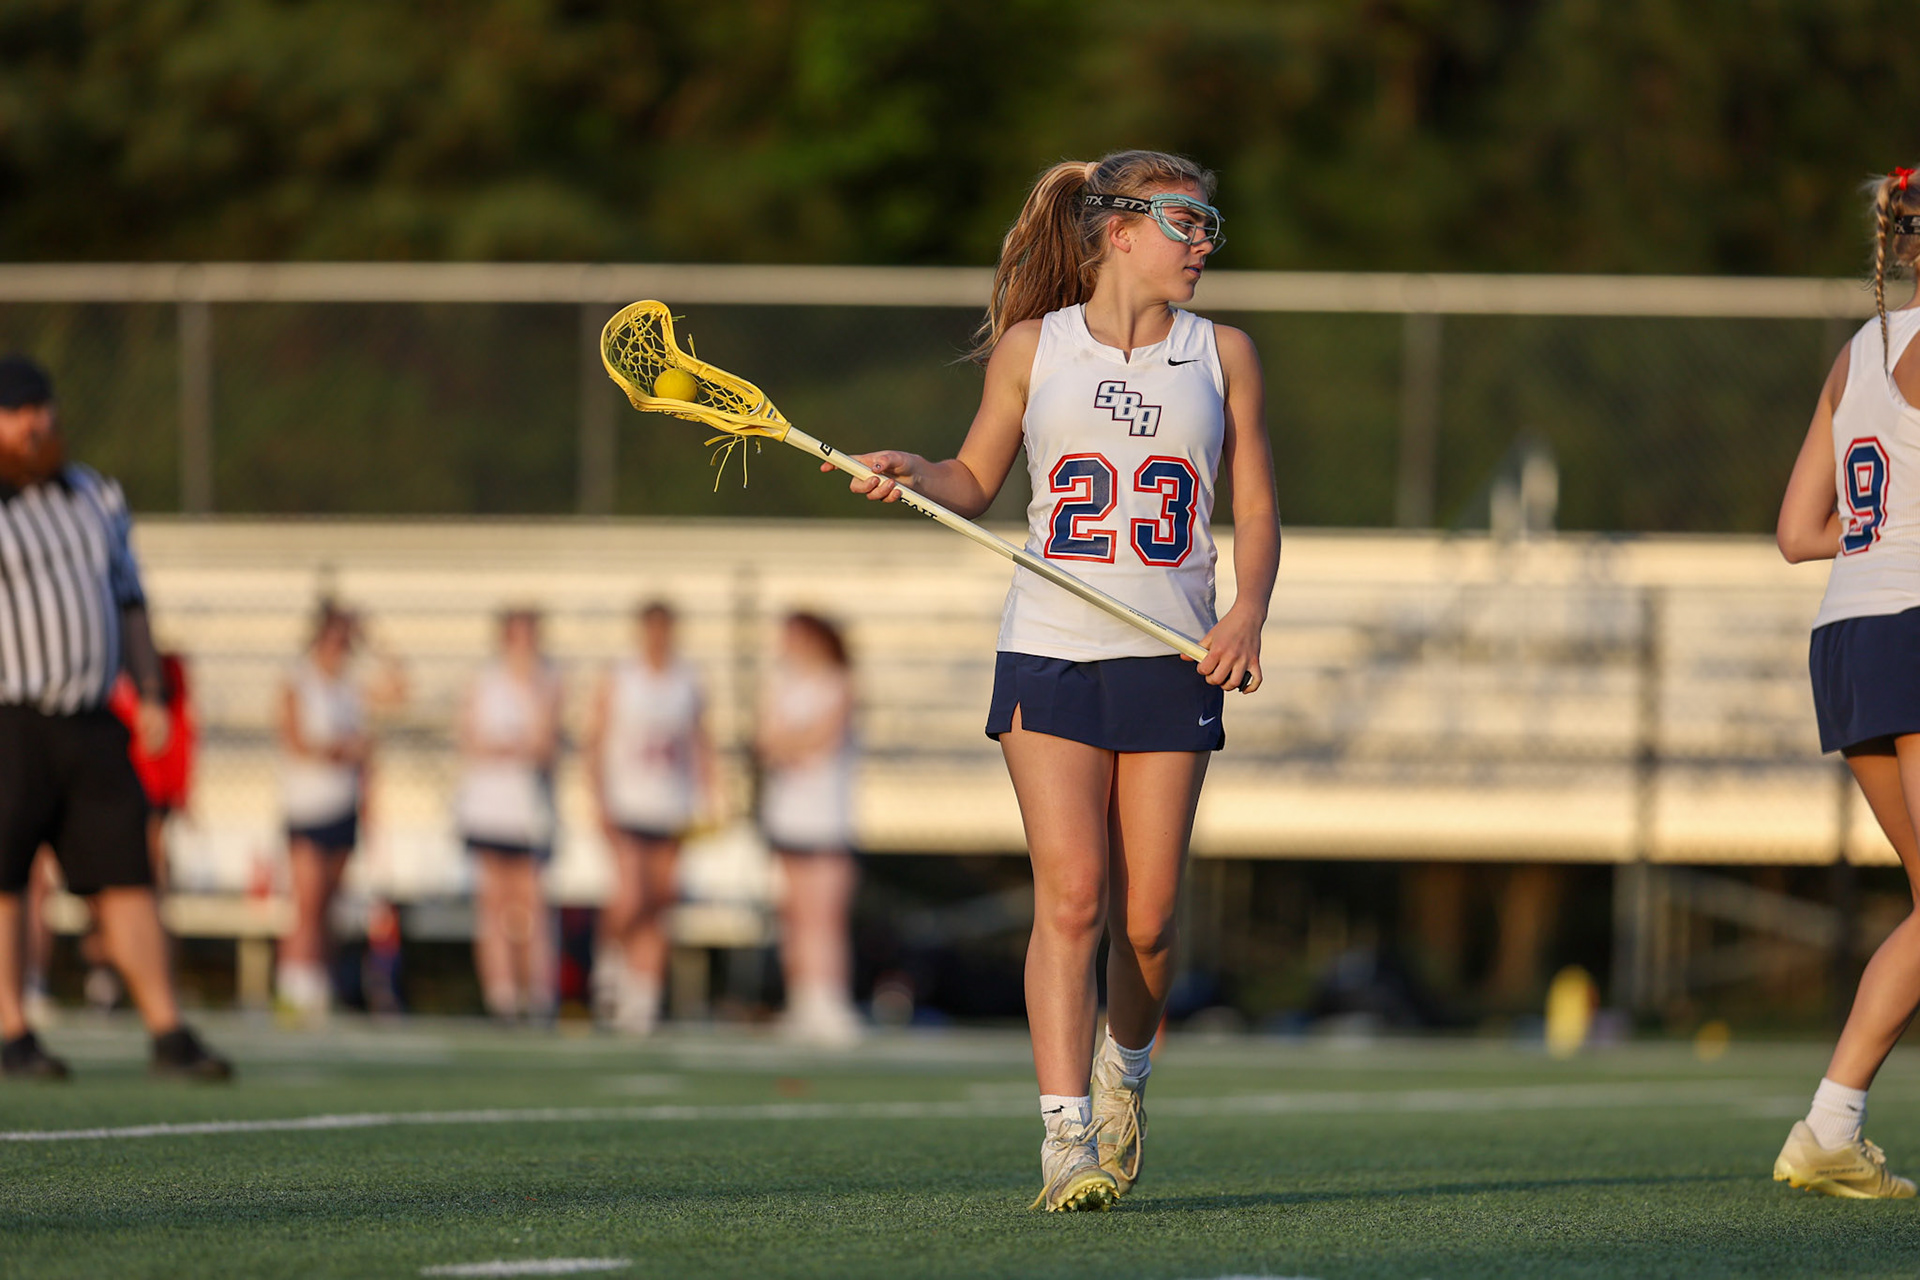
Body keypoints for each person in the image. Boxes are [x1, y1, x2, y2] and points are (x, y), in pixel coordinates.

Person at [835, 151, 1278, 1209]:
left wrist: (1246, 610)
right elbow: (975, 477)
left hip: (1172, 653)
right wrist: (914, 475)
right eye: (1185, 220)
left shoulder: (1226, 354)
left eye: (1210, 221)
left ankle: (1123, 1074)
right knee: (1073, 893)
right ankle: (1063, 1136)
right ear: (1119, 229)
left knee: (1151, 920)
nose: (1204, 240)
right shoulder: (1037, 348)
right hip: (1049, 648)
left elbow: (1254, 510)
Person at [0, 353, 230, 1081]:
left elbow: (129, 596)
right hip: (11, 715)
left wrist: (152, 690)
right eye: (21, 411)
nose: (40, 423)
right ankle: (11, 1032)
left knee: (128, 875)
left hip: (93, 716)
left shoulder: (94, 494)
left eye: (45, 407)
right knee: (4, 879)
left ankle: (167, 1031)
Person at [1773, 165, 1920, 1199]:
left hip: (1851, 627)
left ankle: (1832, 1125)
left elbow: (1796, 534)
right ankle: (1828, 1121)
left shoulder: (1859, 348)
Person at [585, 601, 718, 1035]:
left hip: (671, 805)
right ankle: (609, 961)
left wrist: (709, 793)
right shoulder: (621, 676)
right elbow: (596, 740)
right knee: (629, 897)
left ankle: (642, 998)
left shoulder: (687, 680)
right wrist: (598, 799)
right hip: (628, 801)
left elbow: (699, 741)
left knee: (660, 904)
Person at [276, 602, 397, 1021]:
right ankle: (294, 988)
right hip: (307, 807)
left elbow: (399, 689)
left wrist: (376, 643)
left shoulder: (350, 687)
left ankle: (319, 986)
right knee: (307, 902)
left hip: (343, 806)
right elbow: (296, 741)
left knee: (330, 904)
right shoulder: (299, 682)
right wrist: (340, 750)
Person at [757, 611, 861, 1045]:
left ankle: (830, 999)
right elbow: (765, 740)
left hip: (828, 816)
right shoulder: (780, 685)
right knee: (795, 916)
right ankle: (802, 999)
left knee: (826, 915)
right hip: (788, 814)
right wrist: (789, 742)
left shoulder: (837, 683)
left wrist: (790, 741)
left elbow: (823, 736)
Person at [456, 607, 563, 1024]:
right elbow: (471, 739)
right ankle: (500, 996)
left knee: (533, 902)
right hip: (487, 807)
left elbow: (543, 744)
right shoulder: (483, 681)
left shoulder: (547, 682)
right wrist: (508, 747)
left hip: (530, 810)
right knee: (493, 903)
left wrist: (512, 745)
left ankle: (537, 994)